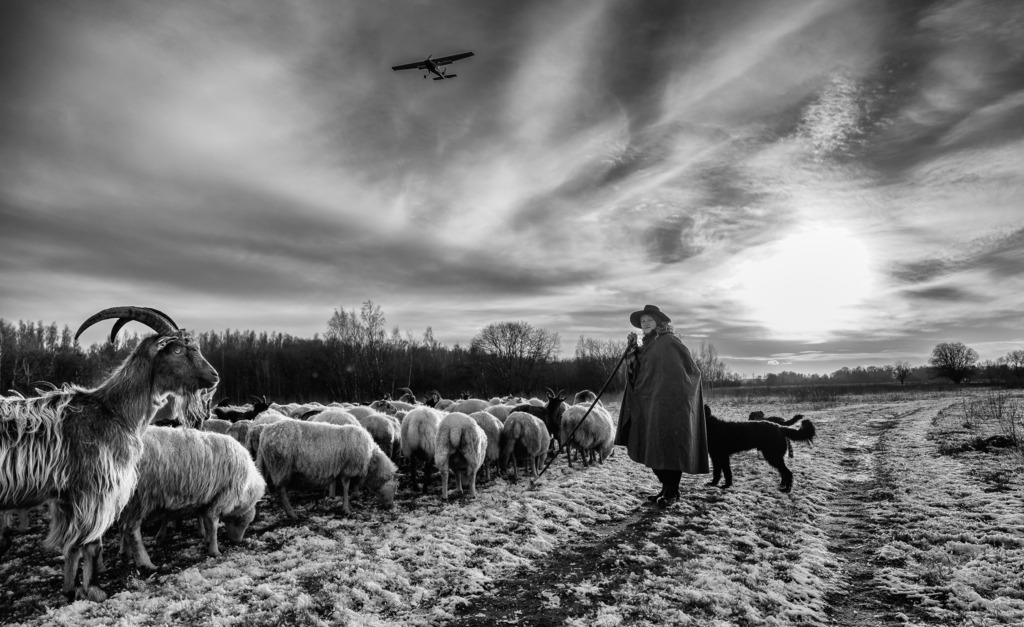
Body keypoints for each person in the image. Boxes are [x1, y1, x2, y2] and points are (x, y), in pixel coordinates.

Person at [614, 304, 709, 507]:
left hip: (670, 405)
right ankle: (666, 489)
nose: (645, 323)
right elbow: (636, 373)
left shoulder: (669, 342)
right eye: (642, 322)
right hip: (648, 404)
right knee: (654, 448)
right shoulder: (647, 345)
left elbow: (691, 371)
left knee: (669, 449)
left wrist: (673, 394)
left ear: (658, 322)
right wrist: (631, 351)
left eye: (649, 320)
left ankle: (672, 492)